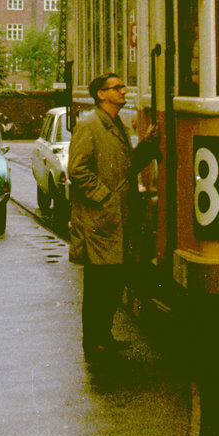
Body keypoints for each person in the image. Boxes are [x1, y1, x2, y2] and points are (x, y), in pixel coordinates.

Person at [67, 73, 160, 360]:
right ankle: (93, 342)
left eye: (122, 86)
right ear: (101, 95)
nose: (123, 91)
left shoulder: (115, 123)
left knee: (112, 283)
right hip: (100, 222)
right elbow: (77, 170)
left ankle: (103, 336)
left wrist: (145, 145)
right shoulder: (89, 124)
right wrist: (105, 198)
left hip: (115, 220)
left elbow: (126, 166)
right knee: (98, 284)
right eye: (116, 88)